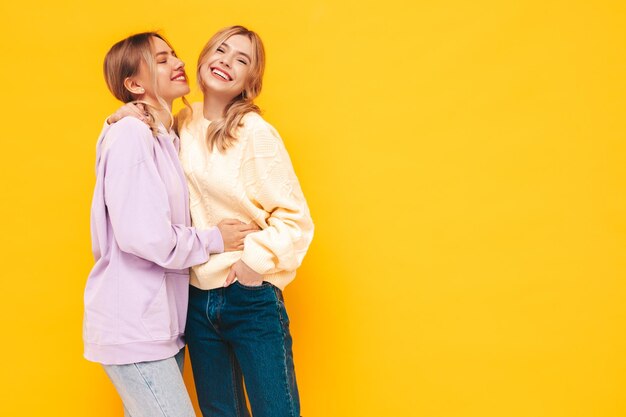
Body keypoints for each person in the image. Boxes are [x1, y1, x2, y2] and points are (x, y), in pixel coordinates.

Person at [83, 32, 257, 417]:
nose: (177, 62)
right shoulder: (131, 135)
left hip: (159, 326)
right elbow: (144, 236)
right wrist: (216, 239)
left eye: (174, 54)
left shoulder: (163, 136)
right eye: (161, 59)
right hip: (134, 327)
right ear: (134, 84)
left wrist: (125, 113)